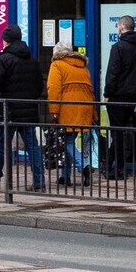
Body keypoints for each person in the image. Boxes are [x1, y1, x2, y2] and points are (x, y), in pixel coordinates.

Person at [0, 24, 45, 191]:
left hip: (8, 110)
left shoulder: (4, 59)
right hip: (28, 111)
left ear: (5, 41)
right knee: (33, 147)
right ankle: (39, 181)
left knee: (1, 146)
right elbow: (39, 87)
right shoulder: (32, 59)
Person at [45, 41, 98, 187]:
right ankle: (65, 176)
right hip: (84, 108)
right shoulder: (82, 66)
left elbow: (53, 89)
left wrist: (53, 111)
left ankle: (84, 167)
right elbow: (90, 90)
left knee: (66, 142)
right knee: (68, 141)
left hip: (67, 109)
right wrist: (93, 113)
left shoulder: (57, 65)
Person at [102, 14, 136, 180]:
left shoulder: (118, 47)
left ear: (121, 27)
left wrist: (107, 94)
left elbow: (112, 73)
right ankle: (109, 162)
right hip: (132, 96)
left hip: (117, 96)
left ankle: (118, 168)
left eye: (118, 26)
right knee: (120, 129)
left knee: (117, 133)